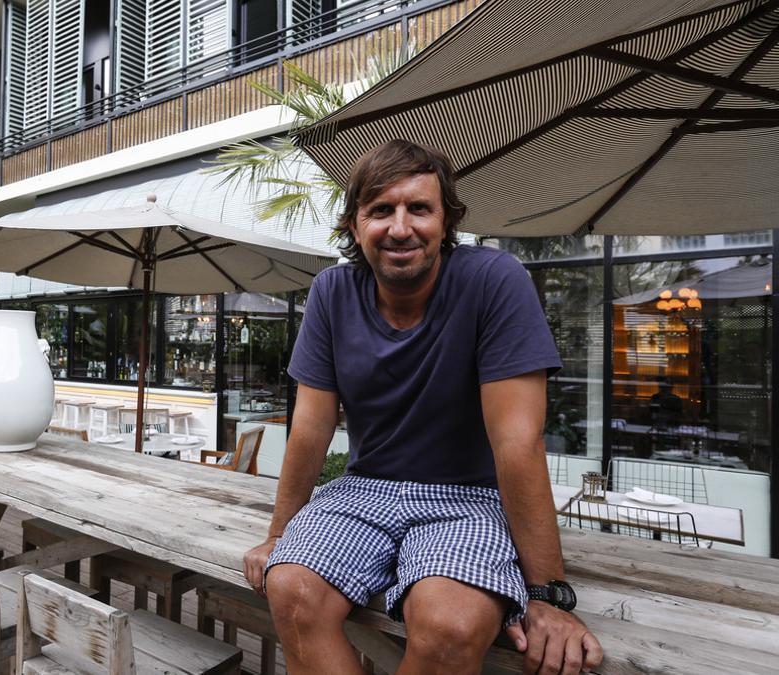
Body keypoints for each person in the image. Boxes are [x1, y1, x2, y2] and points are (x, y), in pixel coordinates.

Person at [242, 140, 603, 675]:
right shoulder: (332, 292)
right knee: (291, 588)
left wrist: (547, 593)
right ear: (355, 225)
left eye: (419, 208)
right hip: (363, 491)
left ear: (446, 221)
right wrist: (278, 535)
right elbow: (311, 426)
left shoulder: (493, 280)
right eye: (380, 210)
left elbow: (516, 441)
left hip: (469, 498)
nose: (400, 227)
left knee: (449, 625)